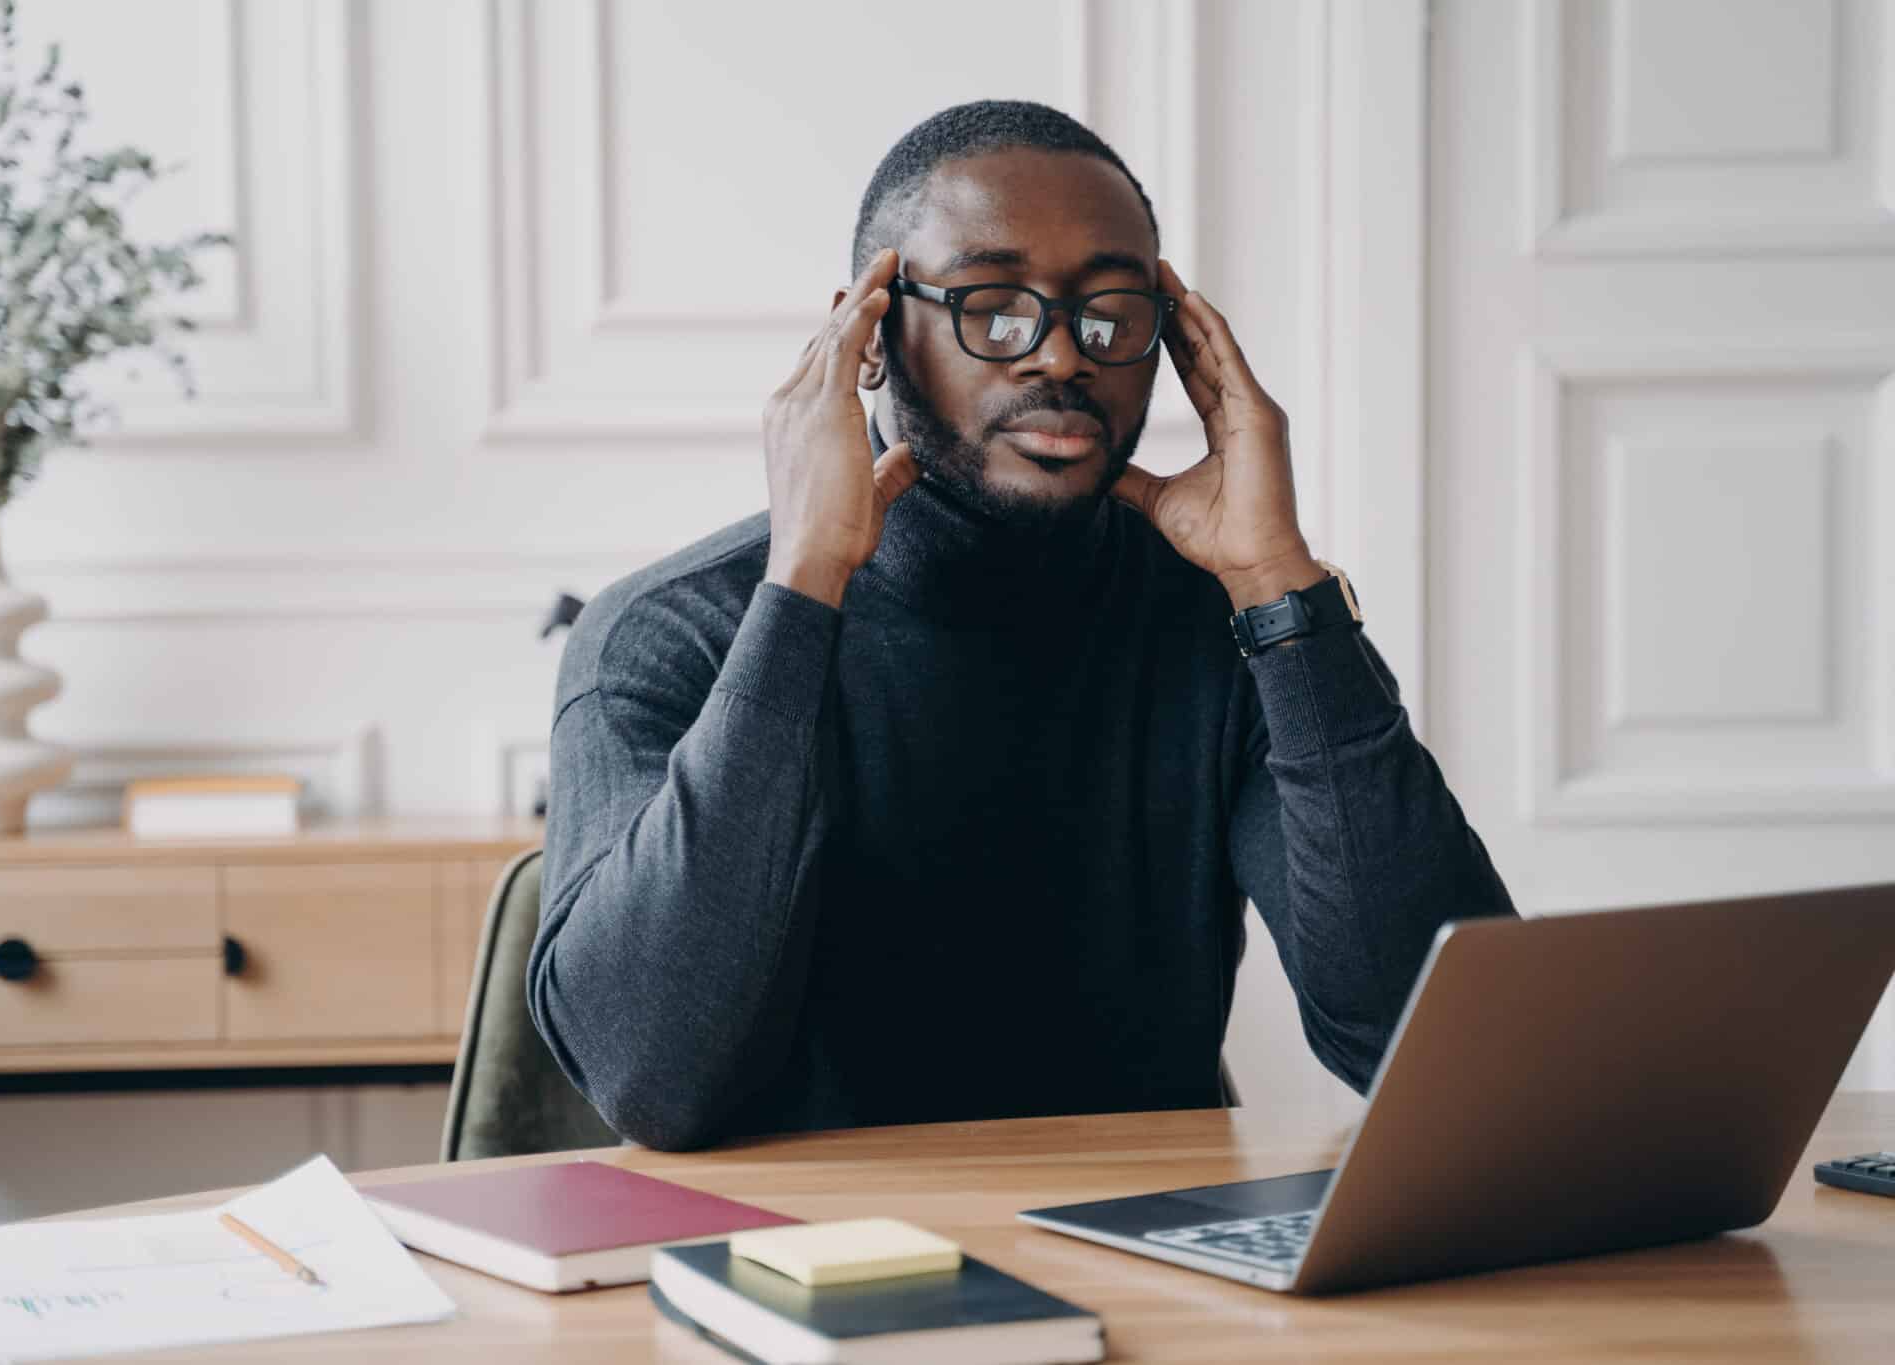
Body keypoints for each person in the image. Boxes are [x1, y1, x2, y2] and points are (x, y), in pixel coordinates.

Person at [529, 100, 1514, 1152]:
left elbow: (1439, 1052)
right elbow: (653, 1079)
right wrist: (805, 582)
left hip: (1144, 1257)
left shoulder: (1219, 619)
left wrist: (1280, 587)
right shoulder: (670, 631)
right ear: (862, 335)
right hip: (786, 1269)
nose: (1058, 356)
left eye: (1109, 312)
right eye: (991, 305)